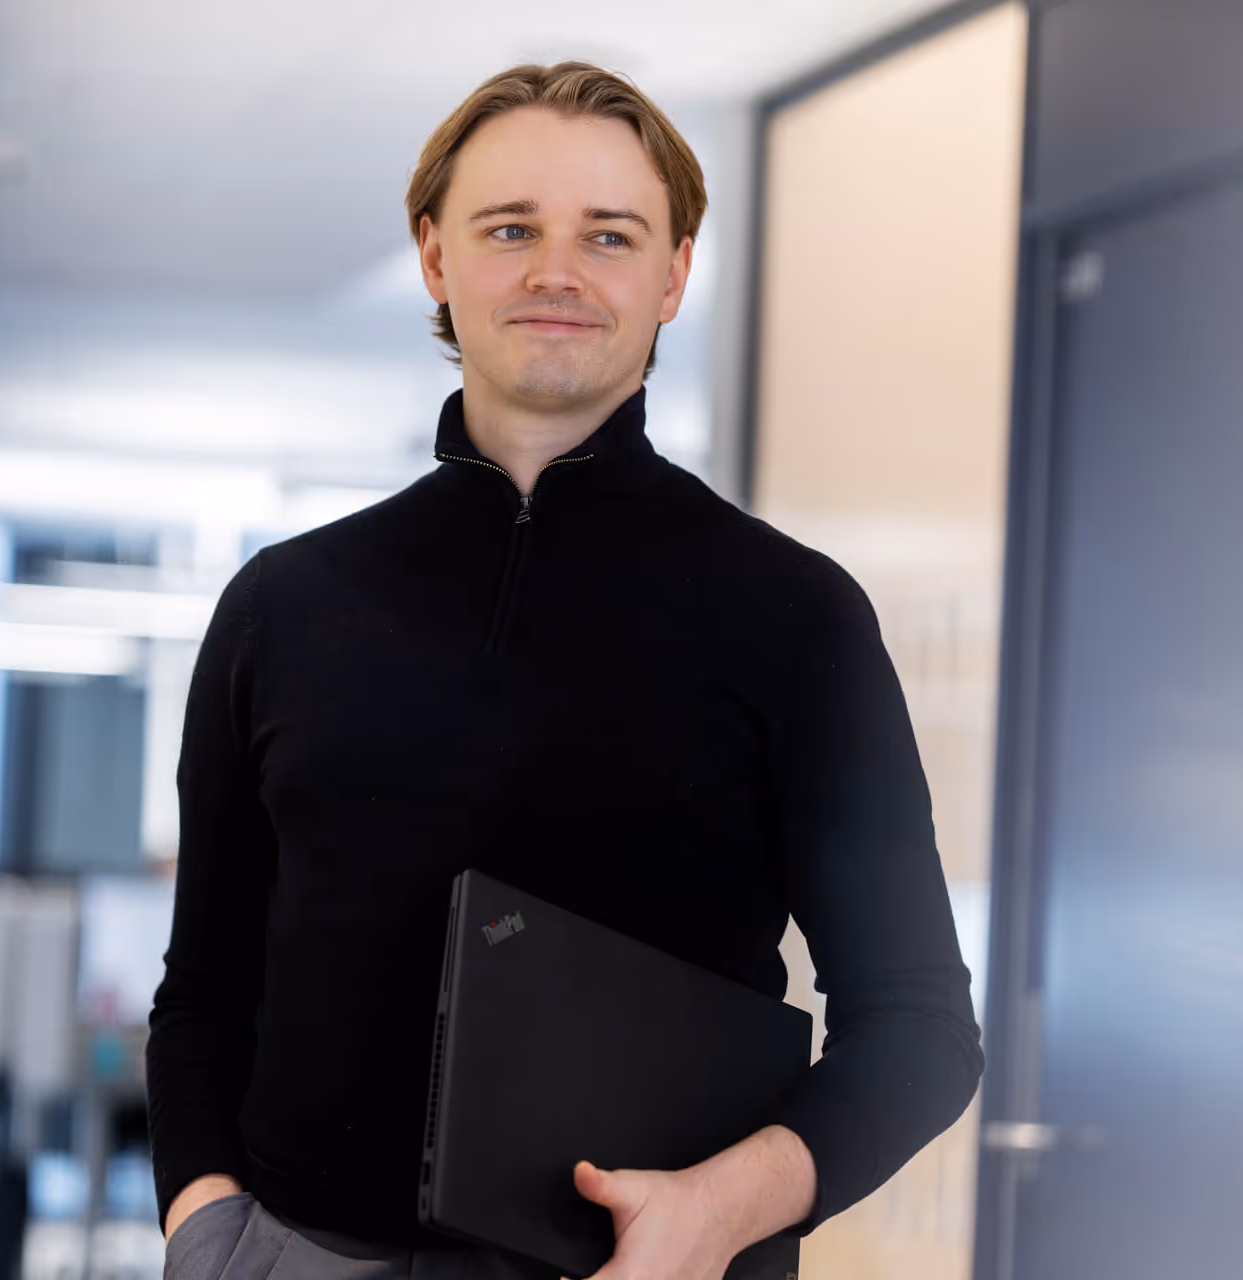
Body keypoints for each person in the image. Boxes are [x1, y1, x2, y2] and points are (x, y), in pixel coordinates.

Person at [146, 60, 983, 1280]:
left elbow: (919, 1029)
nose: (557, 270)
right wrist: (209, 1232)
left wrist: (723, 1209)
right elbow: (202, 989)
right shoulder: (283, 605)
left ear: (674, 273)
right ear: (436, 257)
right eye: (510, 229)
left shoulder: (795, 615)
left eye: (609, 233)